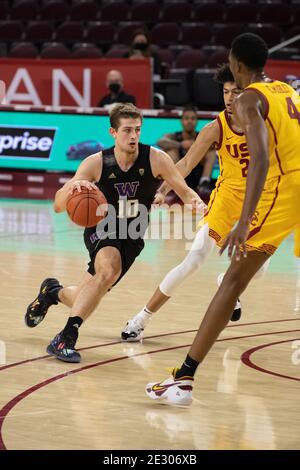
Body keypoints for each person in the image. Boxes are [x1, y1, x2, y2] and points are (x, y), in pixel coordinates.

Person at [145, 33, 300, 406]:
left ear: (238, 66)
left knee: (231, 282)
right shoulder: (286, 90)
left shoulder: (248, 99)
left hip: (286, 192)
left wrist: (244, 221)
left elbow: (261, 158)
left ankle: (183, 379)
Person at [24, 103, 203, 363]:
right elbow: (58, 204)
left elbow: (186, 192)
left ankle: (52, 292)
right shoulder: (96, 163)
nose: (133, 136)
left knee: (90, 291)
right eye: (127, 130)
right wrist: (76, 188)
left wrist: (197, 202)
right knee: (107, 271)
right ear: (113, 133)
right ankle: (65, 338)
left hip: (132, 234)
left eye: (137, 130)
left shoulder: (156, 158)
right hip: (102, 228)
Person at [121, 63, 267, 342]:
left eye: (236, 92)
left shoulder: (263, 122)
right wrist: (162, 190)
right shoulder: (215, 127)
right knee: (194, 259)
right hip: (227, 198)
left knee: (259, 269)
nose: (230, 98)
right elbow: (186, 163)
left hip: (261, 200)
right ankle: (141, 318)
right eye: (225, 92)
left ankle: (226, 282)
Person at [157, 105, 216, 195]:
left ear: (197, 122)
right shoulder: (174, 136)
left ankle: (204, 183)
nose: (189, 121)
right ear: (181, 121)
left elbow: (214, 144)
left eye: (193, 118)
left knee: (211, 152)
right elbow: (160, 141)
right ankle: (174, 183)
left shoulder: (201, 136)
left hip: (197, 174)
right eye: (186, 118)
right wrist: (181, 145)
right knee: (171, 151)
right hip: (180, 176)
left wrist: (196, 146)